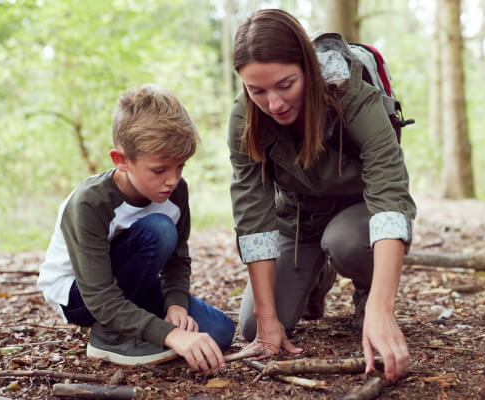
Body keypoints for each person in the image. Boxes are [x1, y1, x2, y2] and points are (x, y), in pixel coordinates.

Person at [227, 9, 417, 381]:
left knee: (344, 241)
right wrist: (267, 320)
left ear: (308, 68)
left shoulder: (356, 99)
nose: (274, 103)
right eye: (257, 90)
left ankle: (367, 291)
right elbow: (253, 217)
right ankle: (317, 277)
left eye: (286, 84)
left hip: (358, 214)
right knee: (252, 327)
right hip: (299, 221)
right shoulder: (244, 118)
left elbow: (390, 203)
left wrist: (383, 310)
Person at [37, 84, 234, 372]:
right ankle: (109, 335)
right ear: (122, 160)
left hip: (133, 285)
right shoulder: (90, 203)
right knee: (159, 229)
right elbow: (100, 297)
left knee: (219, 332)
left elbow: (177, 261)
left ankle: (133, 326)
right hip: (82, 296)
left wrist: (176, 305)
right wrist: (170, 334)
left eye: (180, 166)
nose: (172, 180)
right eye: (159, 170)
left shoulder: (177, 192)